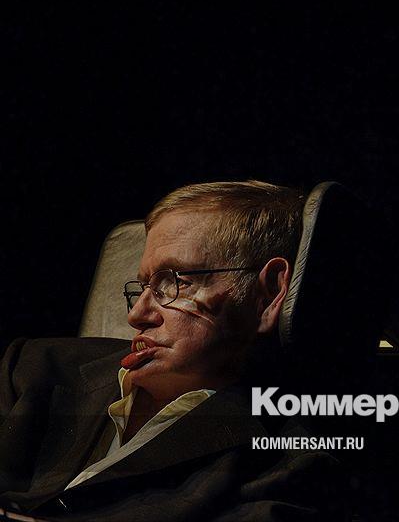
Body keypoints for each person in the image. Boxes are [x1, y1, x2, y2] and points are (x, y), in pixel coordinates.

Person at [0, 181, 352, 521]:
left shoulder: (292, 460)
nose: (136, 315)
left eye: (174, 282)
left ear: (268, 294)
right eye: (143, 286)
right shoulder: (30, 367)